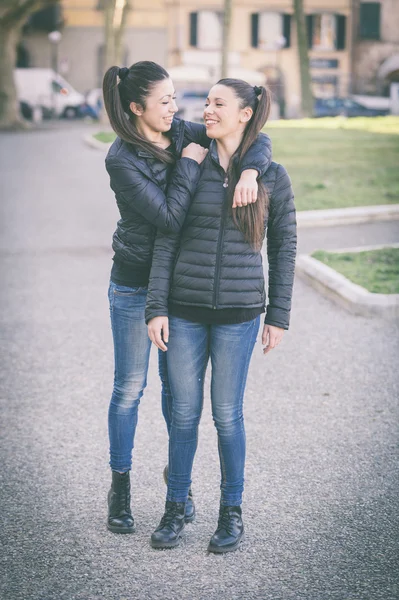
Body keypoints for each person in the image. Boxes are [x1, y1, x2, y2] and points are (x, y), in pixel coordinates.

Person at [102, 61, 273, 534]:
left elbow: (250, 129)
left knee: (177, 395)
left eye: (176, 99)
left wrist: (253, 171)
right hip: (136, 282)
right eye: (165, 101)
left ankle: (179, 489)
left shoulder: (180, 131)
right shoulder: (121, 158)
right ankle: (121, 486)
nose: (176, 109)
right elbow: (170, 220)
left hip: (177, 286)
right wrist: (191, 166)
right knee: (130, 389)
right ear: (137, 108)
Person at [146, 79, 297, 552]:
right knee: (184, 414)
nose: (206, 110)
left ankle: (231, 514)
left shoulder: (271, 174)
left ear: (245, 114)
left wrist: (279, 316)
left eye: (217, 104)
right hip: (185, 310)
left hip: (240, 314)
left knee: (228, 416)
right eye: (206, 102)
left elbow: (285, 248)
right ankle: (176, 509)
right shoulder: (190, 163)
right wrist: (157, 307)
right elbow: (166, 237)